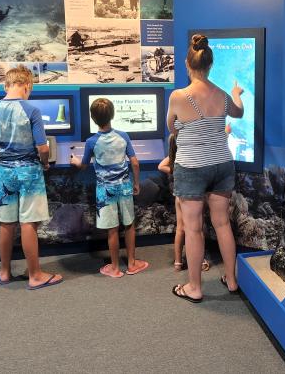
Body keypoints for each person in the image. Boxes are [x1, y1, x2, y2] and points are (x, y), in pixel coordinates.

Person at [167, 34, 244, 303]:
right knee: (222, 224)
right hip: (222, 164)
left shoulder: (178, 96)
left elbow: (171, 128)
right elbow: (239, 113)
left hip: (191, 167)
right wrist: (236, 94)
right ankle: (232, 281)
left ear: (188, 65)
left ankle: (195, 287)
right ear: (210, 66)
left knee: (193, 228)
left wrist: (181, 127)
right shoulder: (222, 95)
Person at [0, 66, 63, 290]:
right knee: (28, 224)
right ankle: (35, 275)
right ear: (27, 85)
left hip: (4, 173)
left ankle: (5, 272)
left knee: (5, 223)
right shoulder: (32, 110)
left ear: (6, 85)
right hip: (29, 172)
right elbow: (43, 147)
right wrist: (45, 162)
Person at [70, 98, 149, 278]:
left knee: (112, 229)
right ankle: (131, 263)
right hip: (124, 186)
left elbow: (83, 165)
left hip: (105, 190)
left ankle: (114, 267)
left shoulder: (91, 142)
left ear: (92, 117)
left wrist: (74, 161)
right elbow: (135, 163)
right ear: (113, 115)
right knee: (129, 225)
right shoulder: (123, 136)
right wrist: (136, 183)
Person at [158, 134, 210, 272]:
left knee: (180, 228)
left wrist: (174, 171)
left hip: (179, 195)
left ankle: (178, 262)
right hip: (194, 195)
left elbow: (160, 166)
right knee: (197, 228)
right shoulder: (192, 156)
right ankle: (200, 260)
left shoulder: (176, 158)